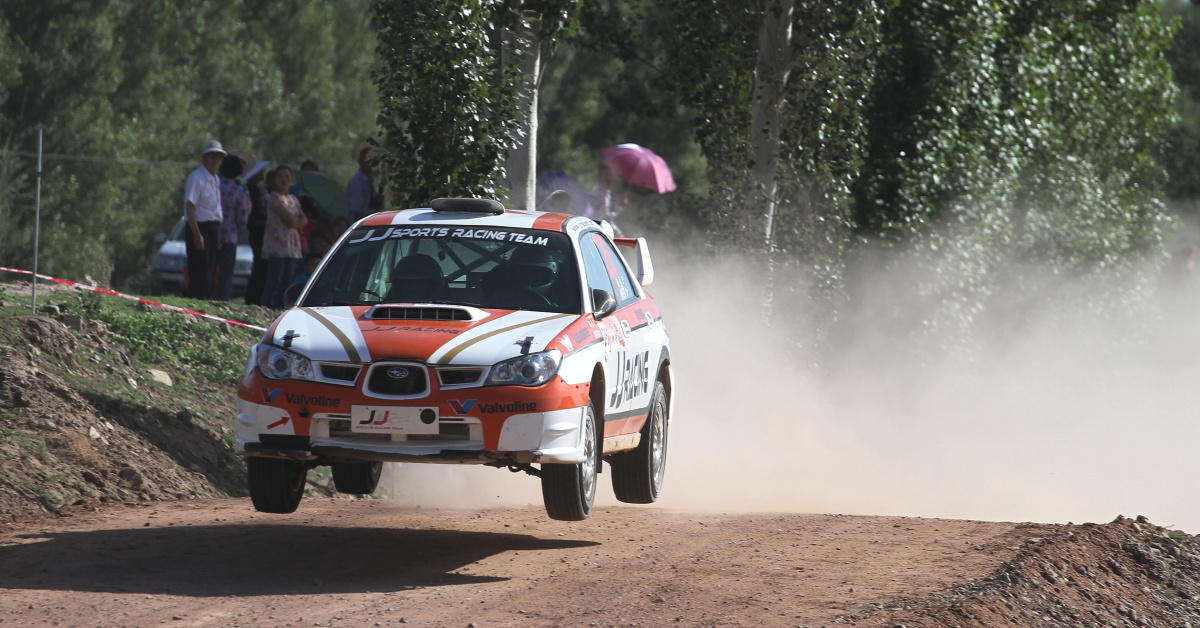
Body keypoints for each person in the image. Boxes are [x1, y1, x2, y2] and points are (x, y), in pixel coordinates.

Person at [183, 140, 226, 299]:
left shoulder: (215, 179)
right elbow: (190, 206)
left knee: (211, 268)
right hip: (200, 226)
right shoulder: (196, 177)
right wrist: (197, 234)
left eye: (218, 157)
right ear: (204, 158)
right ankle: (196, 299)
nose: (215, 160)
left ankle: (207, 298)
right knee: (199, 268)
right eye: (211, 156)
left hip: (213, 226)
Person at [262, 165, 308, 309]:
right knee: (275, 278)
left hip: (291, 244)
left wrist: (294, 222)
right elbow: (290, 219)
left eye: (286, 176)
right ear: (274, 179)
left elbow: (303, 219)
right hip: (277, 243)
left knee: (287, 279)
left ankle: (281, 307)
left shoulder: (293, 199)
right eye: (280, 176)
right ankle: (267, 306)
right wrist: (294, 221)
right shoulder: (274, 198)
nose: (283, 179)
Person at [215, 155, 251, 301]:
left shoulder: (213, 186)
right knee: (226, 272)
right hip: (229, 236)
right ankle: (223, 299)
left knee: (210, 269)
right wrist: (238, 233)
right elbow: (242, 218)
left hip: (211, 233)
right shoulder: (239, 192)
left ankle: (206, 295)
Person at [243, 159, 270, 305]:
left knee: (260, 265)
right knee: (260, 265)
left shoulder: (255, 189)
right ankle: (253, 297)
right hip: (258, 231)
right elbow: (257, 211)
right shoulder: (252, 189)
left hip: (258, 230)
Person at [346, 146, 384, 223]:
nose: (370, 164)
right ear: (360, 162)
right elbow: (357, 207)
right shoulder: (356, 182)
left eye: (373, 161)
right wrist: (374, 212)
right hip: (357, 224)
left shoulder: (369, 181)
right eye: (367, 161)